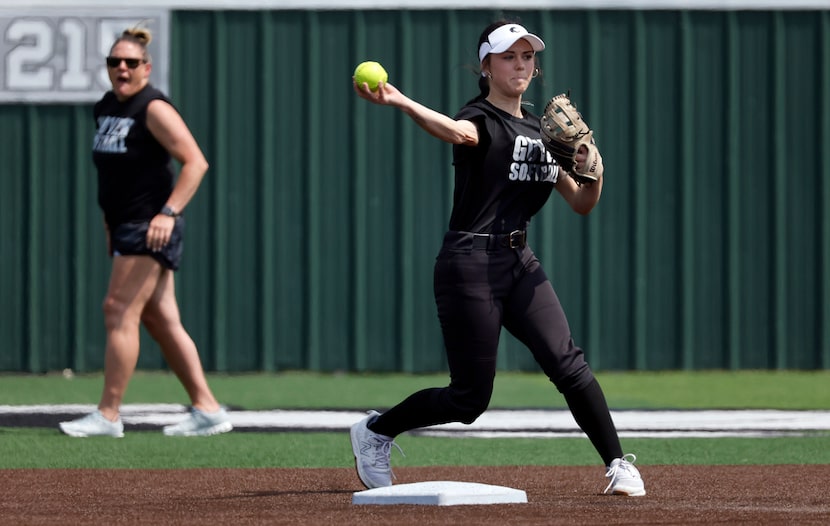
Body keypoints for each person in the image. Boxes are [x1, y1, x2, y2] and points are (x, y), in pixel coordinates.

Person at [349, 21, 645, 496]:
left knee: (568, 364)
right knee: (469, 398)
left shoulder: (544, 131)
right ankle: (377, 430)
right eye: (509, 56)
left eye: (528, 57)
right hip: (469, 262)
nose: (521, 65)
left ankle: (618, 463)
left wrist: (595, 172)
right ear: (486, 65)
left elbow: (581, 203)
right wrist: (401, 102)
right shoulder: (480, 117)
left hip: (518, 261)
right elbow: (456, 132)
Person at [59, 26, 232, 438]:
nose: (122, 68)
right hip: (124, 225)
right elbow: (113, 175)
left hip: (149, 226)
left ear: (146, 67)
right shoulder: (105, 107)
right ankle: (208, 409)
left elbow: (196, 162)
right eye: (114, 61)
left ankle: (108, 414)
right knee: (159, 318)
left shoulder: (152, 108)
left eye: (131, 62)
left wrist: (168, 213)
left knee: (118, 309)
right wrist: (108, 225)